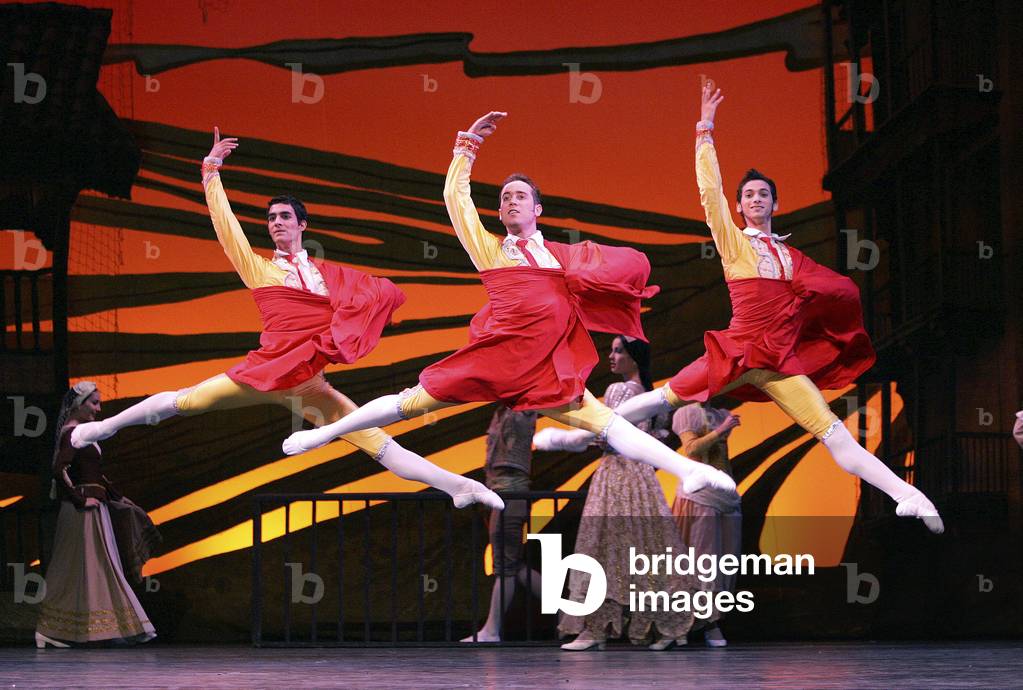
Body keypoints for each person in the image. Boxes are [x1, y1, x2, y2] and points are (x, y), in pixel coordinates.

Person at [281, 112, 736, 503]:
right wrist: (467, 145)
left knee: (607, 423)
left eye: (519, 195)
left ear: (538, 208)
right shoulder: (492, 250)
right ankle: (322, 434)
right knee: (410, 403)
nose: (510, 201)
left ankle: (686, 469)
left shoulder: (561, 256)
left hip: (544, 367)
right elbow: (455, 202)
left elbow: (600, 275)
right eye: (503, 198)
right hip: (499, 356)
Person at [560, 84, 943, 534]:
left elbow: (829, 290)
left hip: (779, 364)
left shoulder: (791, 257)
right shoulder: (734, 242)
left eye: (764, 194)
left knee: (833, 433)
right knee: (657, 400)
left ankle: (909, 495)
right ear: (740, 207)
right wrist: (705, 128)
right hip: (735, 354)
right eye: (749, 196)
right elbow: (709, 191)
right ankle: (579, 431)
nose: (756, 199)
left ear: (775, 204)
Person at [70, 129, 500, 511]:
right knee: (183, 402)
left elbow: (370, 296)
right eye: (271, 218)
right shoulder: (260, 269)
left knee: (377, 442)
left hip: (307, 383)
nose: (275, 223)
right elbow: (227, 228)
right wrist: (211, 172)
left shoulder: (327, 277)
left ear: (301, 224)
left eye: (284, 217)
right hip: (261, 372)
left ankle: (458, 485)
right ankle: (104, 428)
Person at [538, 336, 702, 651]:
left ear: (634, 358)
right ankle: (669, 626)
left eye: (618, 351)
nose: (611, 357)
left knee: (600, 547)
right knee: (651, 549)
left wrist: (577, 439)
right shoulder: (651, 395)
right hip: (642, 477)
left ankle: (595, 630)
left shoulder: (619, 391)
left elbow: (606, 432)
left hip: (616, 474)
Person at [35, 382, 159, 647]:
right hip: (82, 511)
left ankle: (70, 630)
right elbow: (59, 469)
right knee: (88, 569)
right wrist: (81, 499)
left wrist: (115, 496)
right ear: (79, 404)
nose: (98, 408)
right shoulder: (73, 433)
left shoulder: (81, 433)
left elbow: (95, 474)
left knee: (86, 571)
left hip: (92, 509)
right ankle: (56, 629)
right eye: (93, 403)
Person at [461, 405, 543, 642]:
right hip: (499, 494)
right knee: (513, 566)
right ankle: (567, 611)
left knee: (506, 566)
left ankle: (492, 629)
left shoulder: (522, 412)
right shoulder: (502, 411)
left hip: (511, 495)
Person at [671, 402, 743, 647]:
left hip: (723, 494)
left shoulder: (721, 412)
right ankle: (692, 624)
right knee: (700, 559)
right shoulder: (688, 412)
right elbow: (690, 449)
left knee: (723, 561)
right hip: (699, 495)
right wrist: (721, 430)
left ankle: (712, 621)